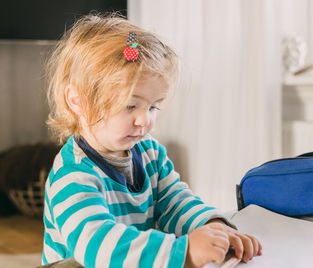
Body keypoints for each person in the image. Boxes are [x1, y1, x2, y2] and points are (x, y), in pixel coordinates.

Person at [42, 13, 262, 268]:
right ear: (77, 100)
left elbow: (176, 203)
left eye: (153, 107)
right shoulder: (71, 176)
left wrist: (213, 227)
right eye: (130, 106)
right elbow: (99, 248)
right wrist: (185, 251)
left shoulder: (151, 154)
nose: (143, 120)